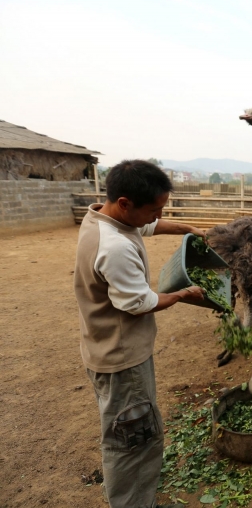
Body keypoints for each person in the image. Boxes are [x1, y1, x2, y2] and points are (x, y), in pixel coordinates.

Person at [74, 160, 205, 508]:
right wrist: (182, 294)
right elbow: (140, 302)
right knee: (134, 440)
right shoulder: (114, 248)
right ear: (125, 203)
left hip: (103, 349)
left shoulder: (101, 220)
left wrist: (186, 228)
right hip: (122, 359)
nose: (156, 216)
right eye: (154, 209)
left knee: (126, 432)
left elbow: (148, 227)